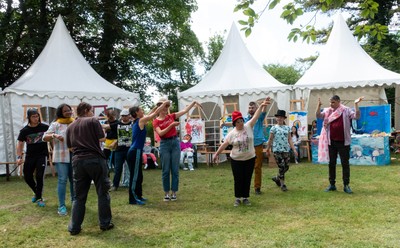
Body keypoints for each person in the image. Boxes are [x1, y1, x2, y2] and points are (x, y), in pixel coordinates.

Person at [66, 102, 113, 235]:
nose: (93, 113)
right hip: (95, 159)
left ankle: (74, 227)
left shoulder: (70, 126)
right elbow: (102, 138)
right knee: (102, 192)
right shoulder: (93, 121)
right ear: (86, 110)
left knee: (79, 197)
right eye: (91, 110)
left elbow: (70, 147)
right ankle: (105, 223)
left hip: (77, 161)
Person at [213, 98, 270, 207]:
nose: (240, 123)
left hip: (250, 158)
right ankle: (238, 198)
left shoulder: (248, 126)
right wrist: (216, 154)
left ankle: (245, 197)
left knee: (247, 178)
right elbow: (224, 144)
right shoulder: (232, 133)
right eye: (238, 122)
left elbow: (256, 116)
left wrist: (262, 105)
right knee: (238, 179)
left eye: (241, 121)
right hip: (236, 160)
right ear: (234, 123)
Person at [153, 97, 201, 202]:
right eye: (163, 106)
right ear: (158, 107)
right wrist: (171, 125)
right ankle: (166, 193)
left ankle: (174, 192)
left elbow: (184, 111)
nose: (165, 108)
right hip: (164, 144)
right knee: (165, 170)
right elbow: (160, 133)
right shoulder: (156, 121)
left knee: (175, 169)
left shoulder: (171, 116)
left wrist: (193, 102)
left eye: (166, 106)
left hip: (175, 142)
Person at [316, 95, 363, 194]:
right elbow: (318, 116)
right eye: (330, 102)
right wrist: (318, 105)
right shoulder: (328, 111)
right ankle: (332, 184)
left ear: (338, 102)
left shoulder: (346, 110)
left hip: (343, 142)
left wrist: (355, 104)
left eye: (333, 102)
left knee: (345, 164)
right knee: (331, 163)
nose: (331, 104)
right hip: (331, 141)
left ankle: (346, 185)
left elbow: (357, 116)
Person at [127, 102, 168, 205]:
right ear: (136, 112)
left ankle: (138, 195)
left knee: (139, 176)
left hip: (136, 151)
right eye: (141, 110)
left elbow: (150, 113)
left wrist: (156, 107)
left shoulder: (140, 121)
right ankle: (133, 199)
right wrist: (163, 105)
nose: (143, 111)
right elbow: (152, 115)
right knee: (135, 176)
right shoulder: (140, 120)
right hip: (135, 151)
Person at [43, 104, 75, 215]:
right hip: (61, 156)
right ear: (60, 112)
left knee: (74, 180)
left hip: (74, 155)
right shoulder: (56, 124)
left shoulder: (74, 122)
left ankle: (74, 202)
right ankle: (61, 206)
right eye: (66, 111)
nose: (68, 112)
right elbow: (44, 137)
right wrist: (54, 136)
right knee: (62, 180)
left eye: (69, 110)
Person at [16, 108, 49, 207]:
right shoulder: (24, 130)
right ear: (29, 118)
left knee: (39, 176)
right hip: (30, 156)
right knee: (27, 177)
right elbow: (20, 144)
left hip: (42, 156)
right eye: (33, 116)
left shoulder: (45, 127)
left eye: (37, 116)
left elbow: (51, 136)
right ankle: (37, 193)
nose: (36, 118)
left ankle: (39, 198)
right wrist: (19, 156)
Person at [265, 110, 298, 192]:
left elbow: (290, 139)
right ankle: (282, 184)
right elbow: (270, 139)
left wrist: (294, 149)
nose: (279, 118)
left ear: (284, 118)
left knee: (286, 166)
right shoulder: (273, 128)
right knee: (282, 166)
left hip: (286, 150)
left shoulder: (287, 128)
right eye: (278, 117)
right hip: (277, 150)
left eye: (281, 117)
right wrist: (267, 149)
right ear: (276, 118)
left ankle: (277, 178)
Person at [244, 101, 267, 195]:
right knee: (246, 167)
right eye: (249, 108)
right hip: (248, 145)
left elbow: (264, 112)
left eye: (253, 108)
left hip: (258, 144)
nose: (251, 109)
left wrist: (264, 105)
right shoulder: (245, 119)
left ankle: (257, 187)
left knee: (257, 166)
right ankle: (245, 186)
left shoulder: (259, 118)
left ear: (256, 108)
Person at [110, 109, 132, 191]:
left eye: (125, 116)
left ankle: (132, 183)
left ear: (129, 116)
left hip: (130, 149)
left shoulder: (132, 124)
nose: (124, 117)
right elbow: (107, 126)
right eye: (122, 116)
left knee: (131, 167)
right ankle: (115, 185)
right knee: (117, 168)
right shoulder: (117, 124)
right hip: (119, 150)